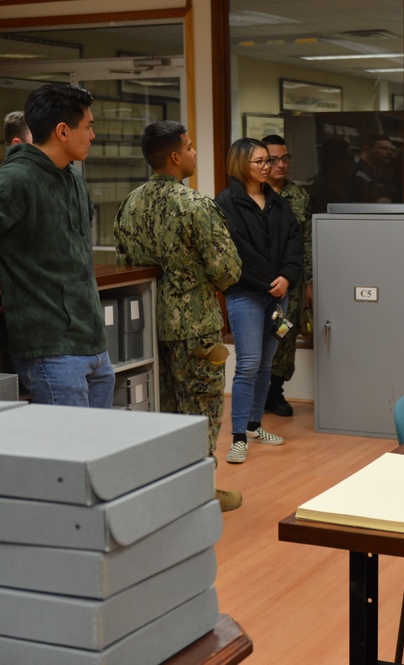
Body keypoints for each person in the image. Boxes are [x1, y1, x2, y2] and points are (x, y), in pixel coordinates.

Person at [0, 83, 113, 408]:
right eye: (88, 126)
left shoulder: (73, 176)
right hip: (51, 348)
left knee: (99, 449)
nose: (92, 135)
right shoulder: (17, 177)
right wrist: (4, 280)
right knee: (66, 454)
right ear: (63, 131)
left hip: (91, 340)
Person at [115, 120, 244, 511]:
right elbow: (228, 270)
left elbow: (124, 262)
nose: (193, 153)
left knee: (160, 407)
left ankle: (167, 485)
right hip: (194, 327)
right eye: (189, 147)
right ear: (174, 157)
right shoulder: (197, 206)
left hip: (145, 325)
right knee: (201, 408)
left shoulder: (130, 203)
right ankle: (201, 489)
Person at [215, 138, 302, 464]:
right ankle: (238, 437)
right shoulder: (226, 203)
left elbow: (294, 243)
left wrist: (287, 278)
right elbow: (236, 253)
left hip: (279, 295)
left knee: (267, 364)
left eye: (269, 160)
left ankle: (254, 425)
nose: (268, 167)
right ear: (241, 164)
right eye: (260, 162)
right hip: (248, 295)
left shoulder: (279, 203)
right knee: (248, 365)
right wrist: (270, 282)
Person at [260, 134, 312, 417]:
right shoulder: (251, 194)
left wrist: (310, 282)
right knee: (259, 335)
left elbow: (308, 241)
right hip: (258, 283)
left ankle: (275, 390)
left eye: (285, 158)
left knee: (284, 332)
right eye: (273, 159)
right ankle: (259, 391)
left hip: (291, 281)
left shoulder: (299, 196)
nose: (281, 165)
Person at [307, 137, 353, 214]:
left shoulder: (340, 185)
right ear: (336, 160)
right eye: (349, 158)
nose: (352, 163)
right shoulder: (326, 190)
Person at [350, 134, 400, 203]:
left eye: (391, 150)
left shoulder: (384, 174)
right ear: (366, 150)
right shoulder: (357, 173)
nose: (390, 153)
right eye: (384, 148)